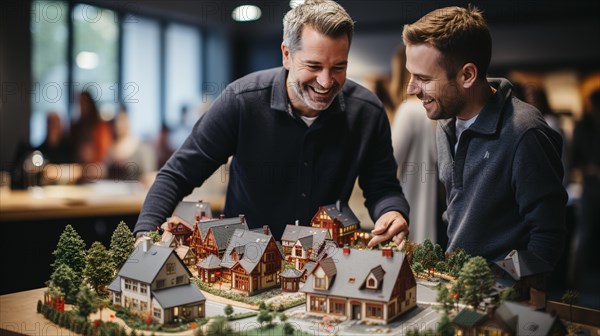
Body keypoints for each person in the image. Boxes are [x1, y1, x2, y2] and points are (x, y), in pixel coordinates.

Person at [134, 0, 409, 243]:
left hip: (326, 263)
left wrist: (392, 212)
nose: (326, 82)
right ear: (286, 55)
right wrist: (146, 235)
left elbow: (383, 187)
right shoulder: (242, 101)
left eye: (338, 67)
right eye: (313, 66)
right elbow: (177, 175)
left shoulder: (368, 112)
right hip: (244, 258)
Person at [371, 6, 567, 267]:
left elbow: (547, 239)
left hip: (500, 300)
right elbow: (457, 215)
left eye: (423, 78)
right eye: (410, 75)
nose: (410, 88)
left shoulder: (525, 132)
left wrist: (500, 284)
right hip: (457, 287)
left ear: (467, 75)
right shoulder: (444, 123)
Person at [389, 45, 438, 245]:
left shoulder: (409, 110)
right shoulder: (432, 111)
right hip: (432, 208)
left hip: (410, 205)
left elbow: (388, 163)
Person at [105, 105, 156, 185]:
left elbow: (149, 176)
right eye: (117, 120)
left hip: (135, 196)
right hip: (112, 194)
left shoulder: (142, 147)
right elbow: (105, 172)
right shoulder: (111, 149)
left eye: (123, 120)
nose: (119, 124)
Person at [71, 91, 112, 167]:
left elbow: (105, 151)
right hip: (80, 168)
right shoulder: (76, 127)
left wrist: (93, 156)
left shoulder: (100, 127)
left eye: (84, 103)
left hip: (97, 168)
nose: (81, 106)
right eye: (79, 103)